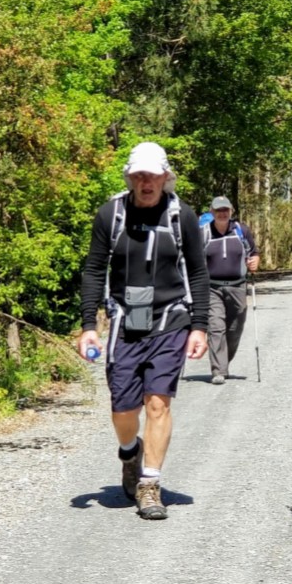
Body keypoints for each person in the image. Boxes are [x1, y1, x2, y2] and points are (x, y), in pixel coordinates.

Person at [78, 142, 210, 520]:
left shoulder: (180, 215)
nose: (145, 182)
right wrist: (89, 326)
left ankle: (150, 485)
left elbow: (198, 273)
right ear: (130, 178)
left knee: (158, 403)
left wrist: (199, 326)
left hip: (170, 320)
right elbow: (93, 270)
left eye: (152, 175)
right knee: (123, 409)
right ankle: (129, 452)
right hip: (123, 322)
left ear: (166, 177)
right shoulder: (111, 214)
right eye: (139, 175)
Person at [201, 196, 259, 384]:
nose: (222, 213)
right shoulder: (203, 233)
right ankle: (219, 370)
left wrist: (255, 261)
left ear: (231, 211)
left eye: (225, 209)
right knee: (216, 327)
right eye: (218, 210)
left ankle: (224, 361)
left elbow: (253, 253)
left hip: (237, 286)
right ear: (212, 212)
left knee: (235, 328)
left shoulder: (241, 231)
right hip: (212, 288)